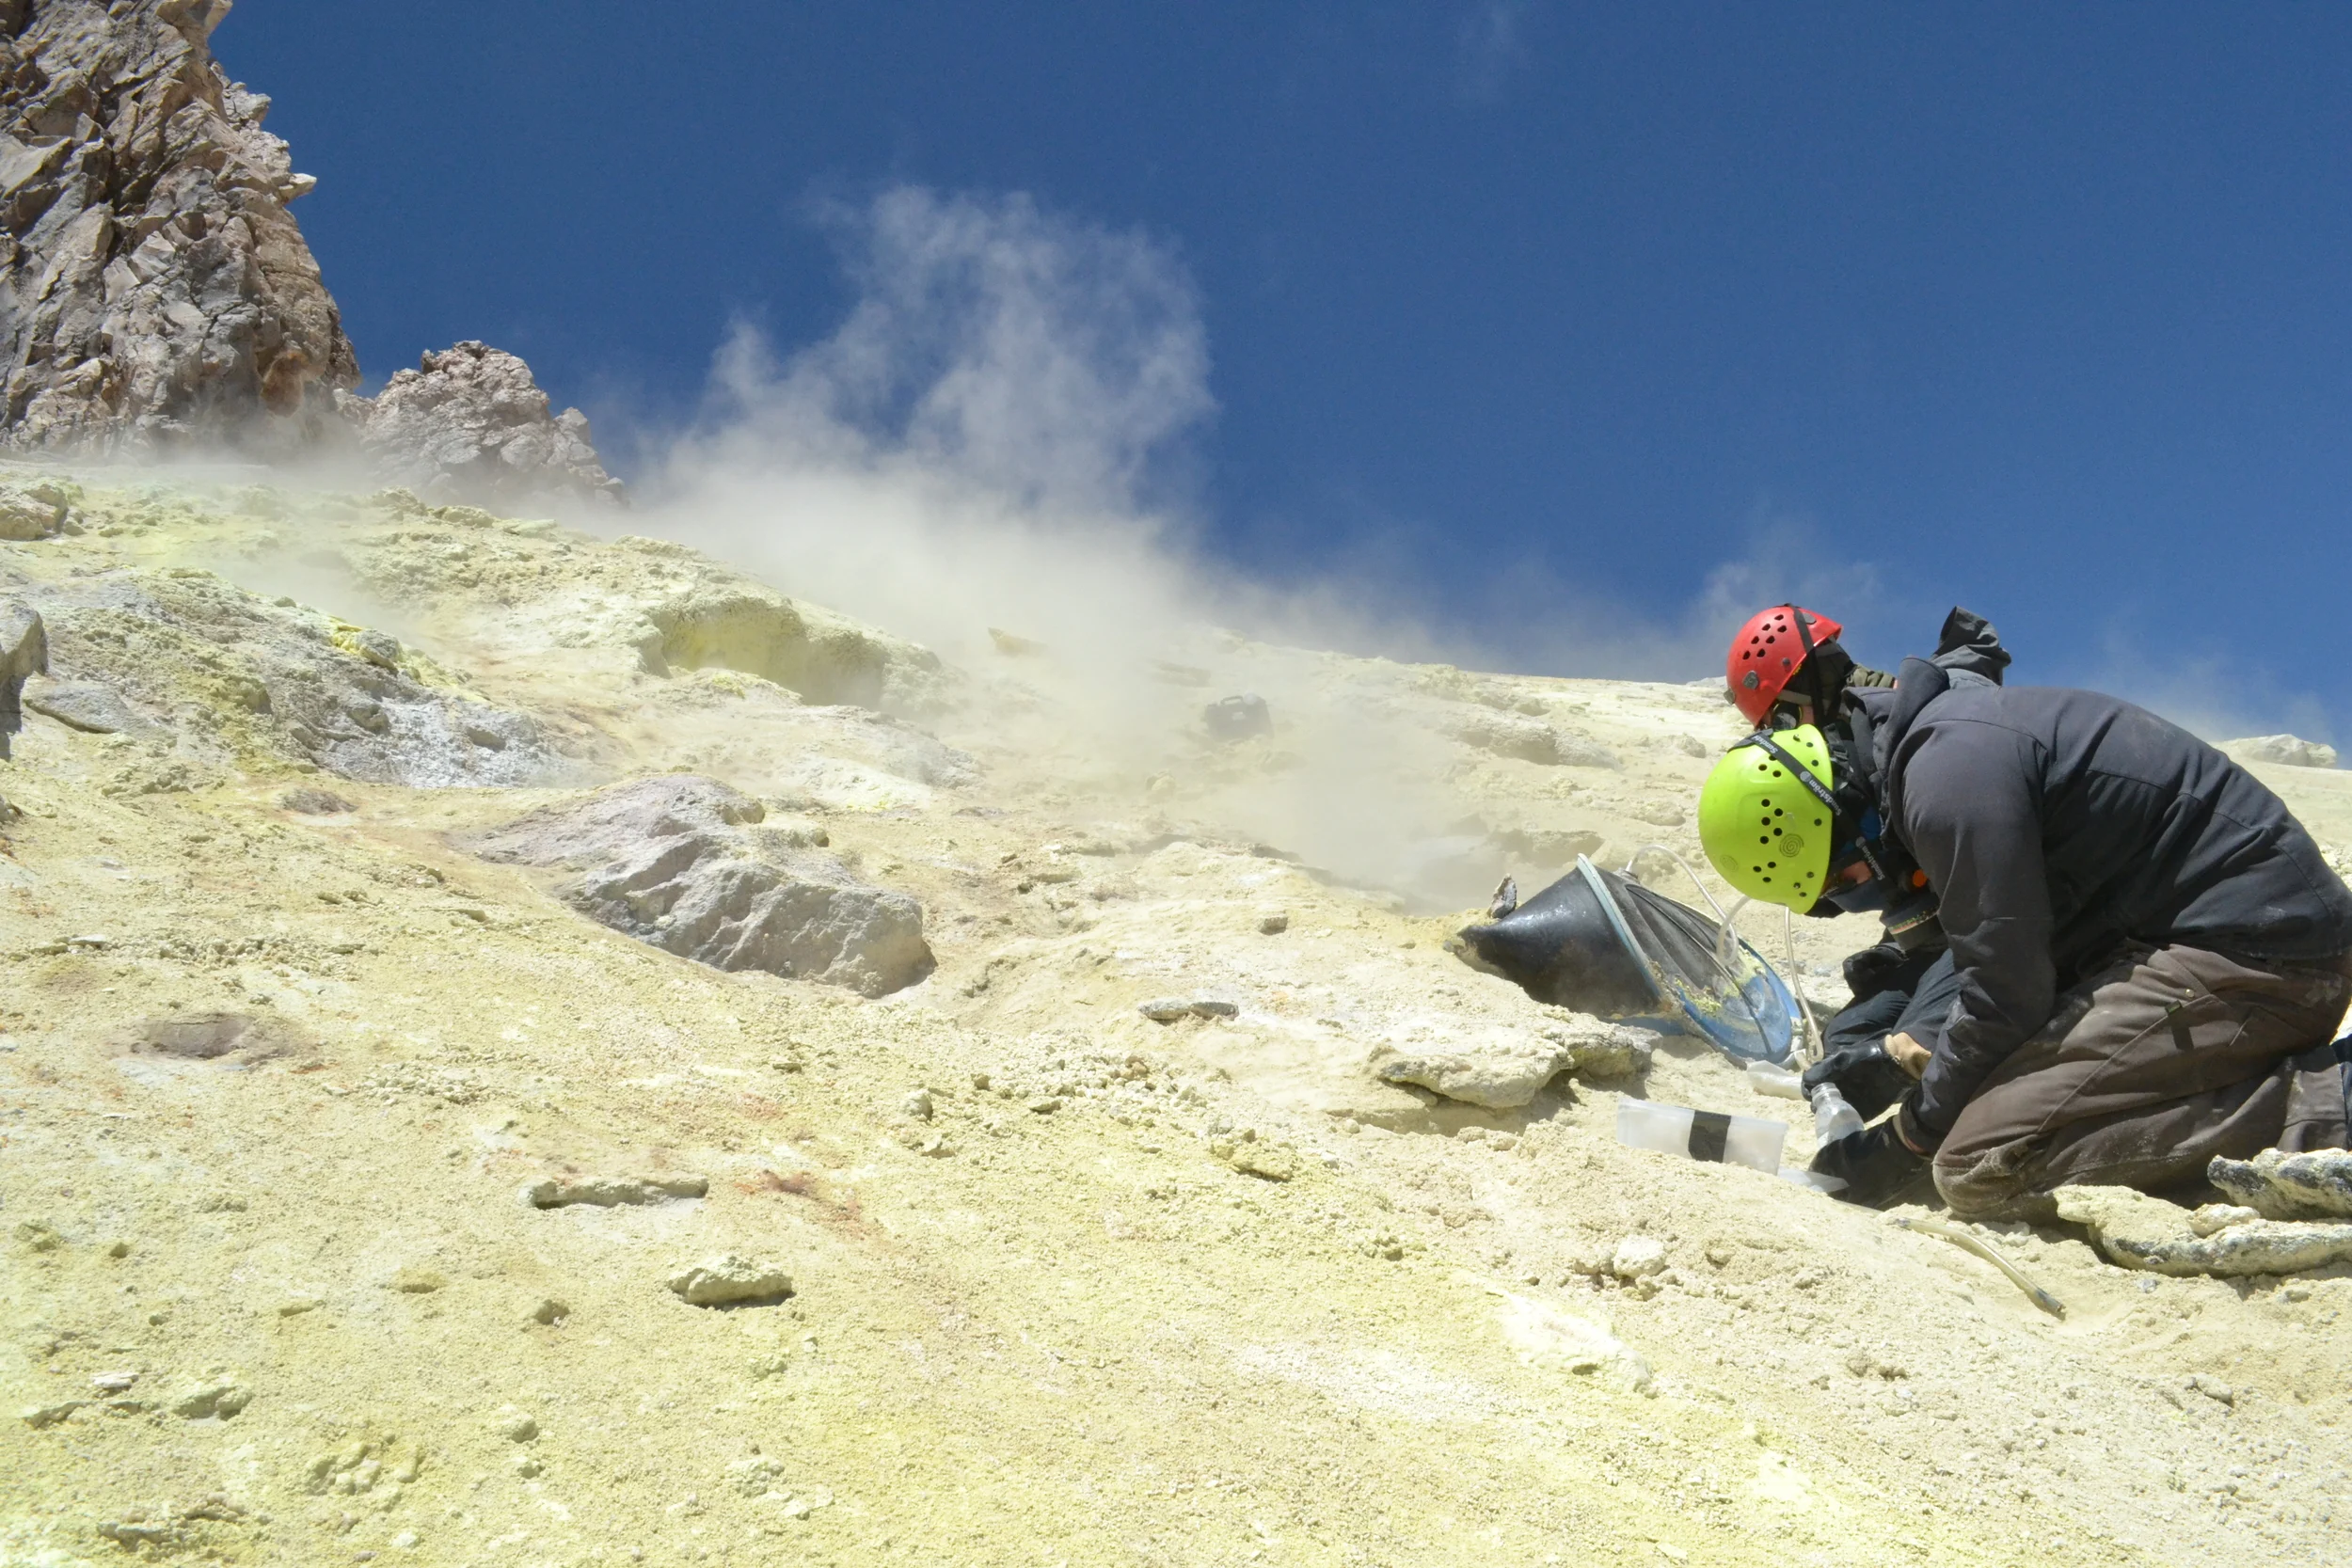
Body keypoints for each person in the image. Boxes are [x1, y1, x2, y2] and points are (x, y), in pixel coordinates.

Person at [1695, 664, 2352, 1215]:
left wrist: (1908, 1138)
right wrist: (1906, 1059)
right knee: (1979, 1101)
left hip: (2268, 956)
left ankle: (2327, 1104)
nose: (1859, 893)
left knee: (1978, 1161)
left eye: (1844, 877)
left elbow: (2007, 992)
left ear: (1841, 813)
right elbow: (2004, 954)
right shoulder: (1932, 750)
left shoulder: (1946, 786)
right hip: (2227, 936)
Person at [1723, 604, 2012, 1076]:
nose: (1790, 738)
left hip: (2007, 935)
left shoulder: (1923, 732)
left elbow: (1980, 881)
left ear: (1812, 682)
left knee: (1901, 1046)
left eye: (1784, 721)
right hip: (1971, 930)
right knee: (1848, 1039)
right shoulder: (1873, 737)